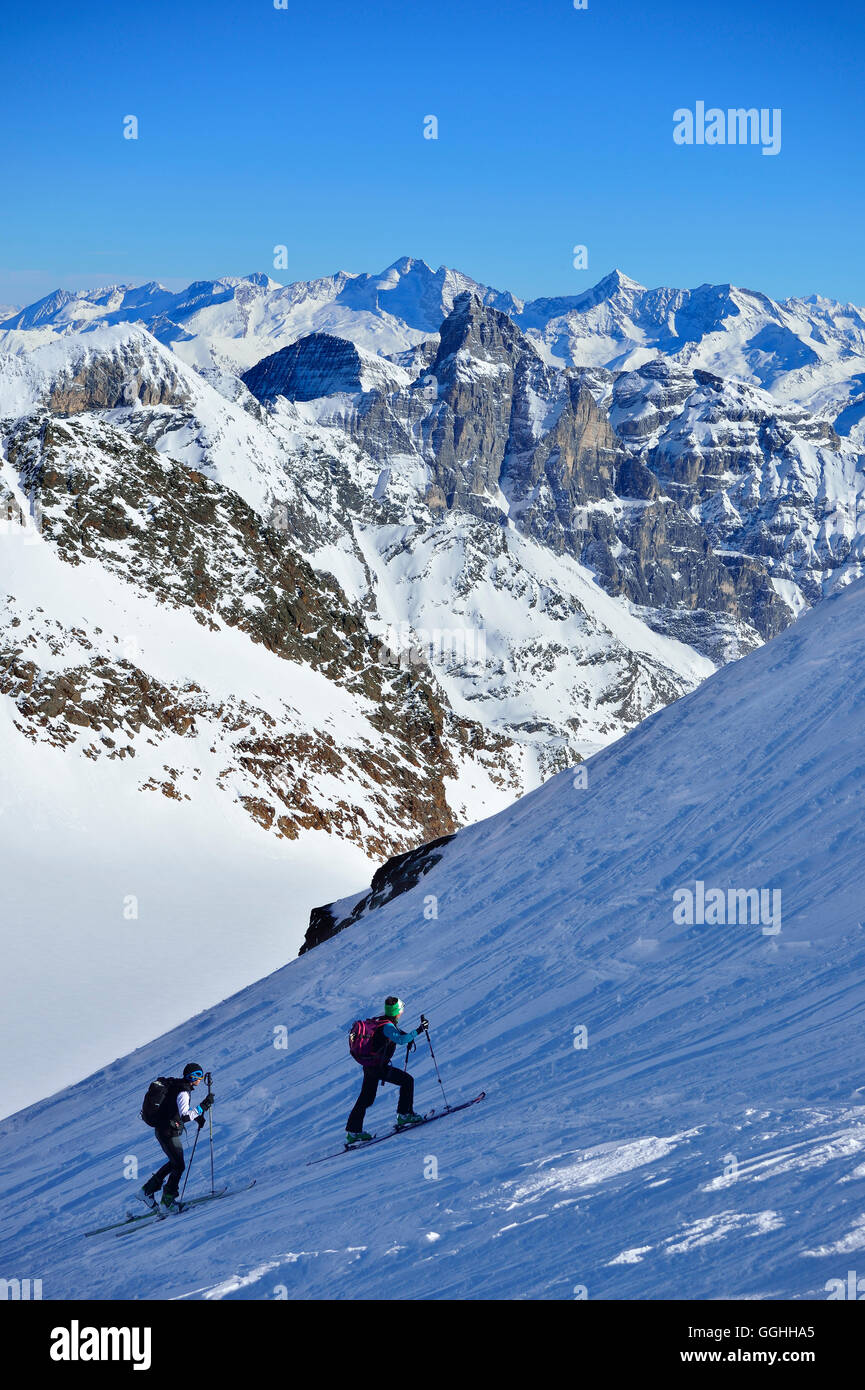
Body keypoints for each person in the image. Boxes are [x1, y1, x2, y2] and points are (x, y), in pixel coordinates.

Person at [346, 997, 427, 1145]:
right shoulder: (388, 1026)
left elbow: (399, 1035)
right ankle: (405, 1115)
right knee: (407, 1081)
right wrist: (419, 1031)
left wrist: (409, 1037)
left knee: (366, 1098)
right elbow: (400, 1040)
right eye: (401, 1010)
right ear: (397, 1012)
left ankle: (353, 1131)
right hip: (378, 1068)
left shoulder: (382, 1020)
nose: (402, 1012)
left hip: (370, 1066)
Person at [137, 1063, 214, 1213]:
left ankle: (146, 1191)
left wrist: (198, 1118)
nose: (201, 1079)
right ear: (193, 1077)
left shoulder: (177, 1085)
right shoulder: (183, 1091)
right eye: (199, 1076)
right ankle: (167, 1202)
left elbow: (174, 1109)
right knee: (179, 1165)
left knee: (175, 1163)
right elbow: (185, 1116)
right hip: (167, 1132)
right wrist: (203, 1106)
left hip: (164, 1130)